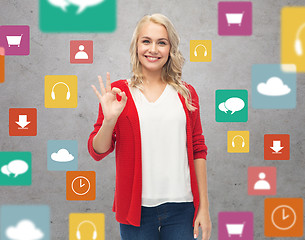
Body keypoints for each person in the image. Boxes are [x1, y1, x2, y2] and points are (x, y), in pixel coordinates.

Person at [88, 13, 211, 240]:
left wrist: (203, 206)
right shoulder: (118, 92)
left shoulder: (187, 93)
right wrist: (109, 121)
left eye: (161, 42)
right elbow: (98, 150)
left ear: (170, 49)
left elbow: (198, 150)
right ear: (136, 46)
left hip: (182, 208)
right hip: (136, 211)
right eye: (146, 41)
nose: (153, 49)